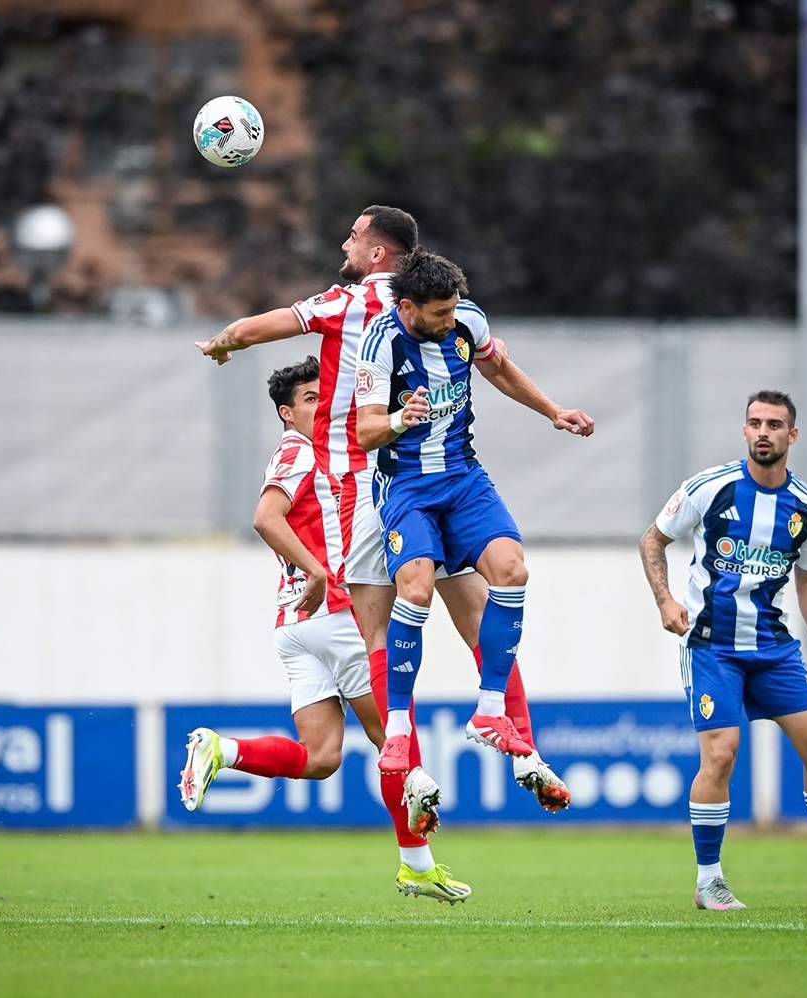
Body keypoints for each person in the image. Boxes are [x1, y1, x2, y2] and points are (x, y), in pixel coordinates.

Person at [195, 206, 570, 811]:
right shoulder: (440, 303)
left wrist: (221, 342)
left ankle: (405, 756)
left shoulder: (349, 304)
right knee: (474, 614)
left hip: (368, 485)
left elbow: (261, 327)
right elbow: (493, 360)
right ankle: (520, 747)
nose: (344, 243)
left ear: (376, 256)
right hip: (428, 469)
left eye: (353, 236)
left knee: (373, 627)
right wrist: (553, 411)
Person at [180, 358, 469, 903]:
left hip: (298, 625)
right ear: (287, 414)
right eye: (310, 398)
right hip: (336, 614)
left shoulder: (337, 454)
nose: (322, 404)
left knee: (320, 758)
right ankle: (416, 865)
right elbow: (266, 517)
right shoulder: (299, 450)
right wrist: (316, 569)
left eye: (325, 394)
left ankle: (223, 750)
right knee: (396, 740)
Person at [638, 389, 807, 910]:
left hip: (775, 649)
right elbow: (652, 540)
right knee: (722, 754)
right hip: (712, 647)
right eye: (755, 423)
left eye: (775, 424)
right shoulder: (711, 488)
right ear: (745, 430)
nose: (763, 432)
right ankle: (710, 881)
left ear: (792, 435)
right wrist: (665, 601)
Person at [352, 249, 594, 774]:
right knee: (415, 586)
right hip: (407, 484)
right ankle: (396, 728)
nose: (450, 320)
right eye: (439, 314)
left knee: (512, 570)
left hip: (463, 476)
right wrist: (399, 418)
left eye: (454, 309)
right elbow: (365, 430)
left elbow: (498, 369)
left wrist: (553, 411)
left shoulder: (467, 320)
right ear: (410, 308)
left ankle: (488, 711)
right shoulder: (380, 344)